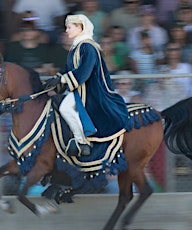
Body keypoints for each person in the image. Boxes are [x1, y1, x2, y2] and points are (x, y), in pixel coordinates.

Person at [44, 14, 131, 156]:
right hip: (81, 88)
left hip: (91, 90)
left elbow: (84, 72)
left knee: (65, 108)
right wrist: (56, 79)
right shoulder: (75, 48)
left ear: (80, 28)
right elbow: (68, 70)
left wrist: (62, 80)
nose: (66, 31)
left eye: (69, 27)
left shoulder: (88, 47)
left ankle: (82, 142)